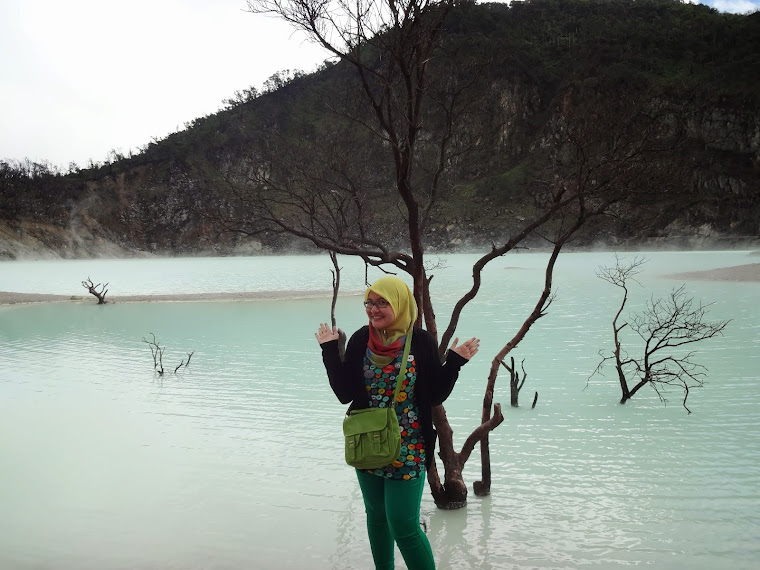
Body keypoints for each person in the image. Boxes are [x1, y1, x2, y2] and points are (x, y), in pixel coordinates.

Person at [315, 276, 479, 570]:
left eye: (382, 303)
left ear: (400, 304)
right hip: (368, 443)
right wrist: (329, 350)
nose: (374, 309)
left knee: (404, 527)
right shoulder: (359, 339)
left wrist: (454, 362)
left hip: (410, 448)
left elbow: (434, 394)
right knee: (376, 518)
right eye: (370, 302)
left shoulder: (421, 342)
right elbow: (344, 393)